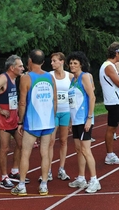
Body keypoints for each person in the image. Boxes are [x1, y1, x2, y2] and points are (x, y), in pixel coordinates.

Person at [11, 49, 57, 196]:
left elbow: (22, 102)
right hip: (48, 122)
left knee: (26, 153)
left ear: (29, 60)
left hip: (32, 122)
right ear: (43, 62)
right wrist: (52, 117)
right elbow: (54, 100)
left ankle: (22, 185)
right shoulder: (50, 77)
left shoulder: (26, 77)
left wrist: (20, 122)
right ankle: (44, 185)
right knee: (45, 153)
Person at [0, 55, 30, 189]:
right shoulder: (3, 78)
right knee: (5, 148)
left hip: (14, 118)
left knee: (21, 144)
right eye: (20, 66)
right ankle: (4, 177)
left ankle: (14, 171)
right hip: (3, 119)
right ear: (12, 67)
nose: (23, 68)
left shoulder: (15, 79)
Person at [66, 51, 101, 193]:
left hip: (84, 119)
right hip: (75, 120)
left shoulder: (84, 77)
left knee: (86, 150)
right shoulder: (73, 80)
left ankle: (94, 180)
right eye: (71, 63)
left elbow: (92, 98)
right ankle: (81, 178)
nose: (72, 65)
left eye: (75, 63)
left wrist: (89, 118)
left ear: (81, 64)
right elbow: (72, 103)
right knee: (78, 150)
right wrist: (70, 121)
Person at [46, 52, 73, 181]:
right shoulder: (49, 76)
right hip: (53, 113)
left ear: (62, 61)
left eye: (54, 61)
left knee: (63, 141)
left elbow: (74, 96)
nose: (52, 63)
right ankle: (48, 170)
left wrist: (72, 118)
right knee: (50, 142)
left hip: (66, 112)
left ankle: (61, 169)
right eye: (51, 61)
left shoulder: (70, 76)